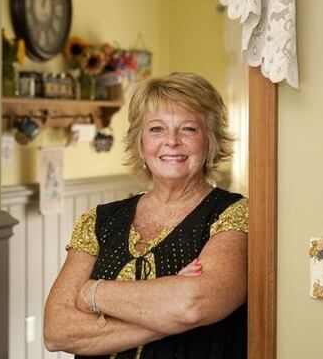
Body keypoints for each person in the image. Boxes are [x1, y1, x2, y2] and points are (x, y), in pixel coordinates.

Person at [44, 73, 248, 359]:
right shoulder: (98, 220)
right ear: (140, 141)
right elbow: (56, 330)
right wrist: (166, 310)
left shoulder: (233, 213)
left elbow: (194, 305)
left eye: (188, 129)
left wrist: (93, 292)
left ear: (210, 139)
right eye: (156, 129)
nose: (171, 142)